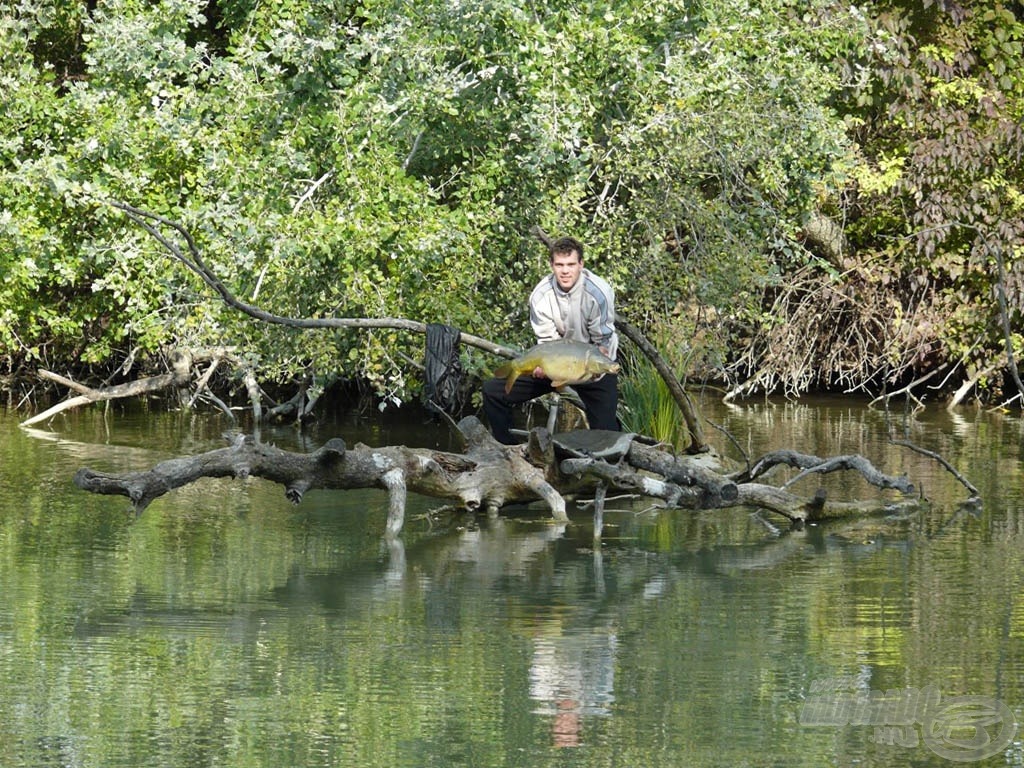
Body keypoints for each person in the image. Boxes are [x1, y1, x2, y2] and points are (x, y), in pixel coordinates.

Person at [483, 236, 619, 444]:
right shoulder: (540, 295)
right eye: (560, 265)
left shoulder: (598, 293)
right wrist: (544, 371)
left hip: (592, 369)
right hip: (556, 365)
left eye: (571, 264)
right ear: (552, 265)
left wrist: (594, 368)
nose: (565, 271)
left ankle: (610, 461)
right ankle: (507, 450)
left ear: (581, 264)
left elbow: (603, 343)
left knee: (606, 434)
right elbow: (547, 343)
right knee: (493, 391)